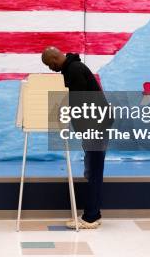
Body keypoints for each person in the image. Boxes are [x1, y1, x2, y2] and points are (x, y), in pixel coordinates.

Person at [41, 46, 107, 229]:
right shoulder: (73, 67)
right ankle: (94, 213)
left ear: (54, 59)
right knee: (93, 170)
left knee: (93, 171)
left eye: (48, 65)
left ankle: (90, 218)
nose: (49, 69)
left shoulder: (74, 70)